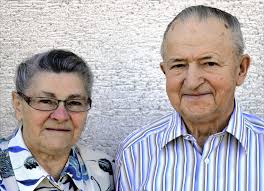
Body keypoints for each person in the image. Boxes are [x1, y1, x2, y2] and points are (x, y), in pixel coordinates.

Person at [115, 5, 264, 191]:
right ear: (165, 72)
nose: (192, 82)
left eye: (209, 63)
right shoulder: (134, 153)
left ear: (241, 69)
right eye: (178, 65)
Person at [0, 49, 114, 191]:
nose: (61, 116)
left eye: (74, 103)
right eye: (46, 101)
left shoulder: (106, 173)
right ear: (18, 105)